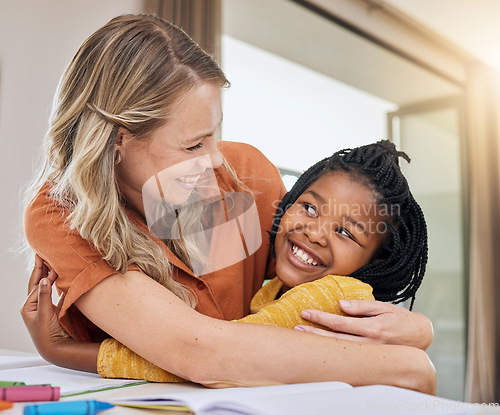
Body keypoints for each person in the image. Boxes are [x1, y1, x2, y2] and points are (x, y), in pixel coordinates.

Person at [21, 14, 436, 393]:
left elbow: (305, 293)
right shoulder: (62, 215)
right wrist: (402, 365)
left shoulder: (245, 174)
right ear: (117, 141)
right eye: (192, 144)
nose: (217, 160)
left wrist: (416, 329)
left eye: (214, 134)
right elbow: (201, 353)